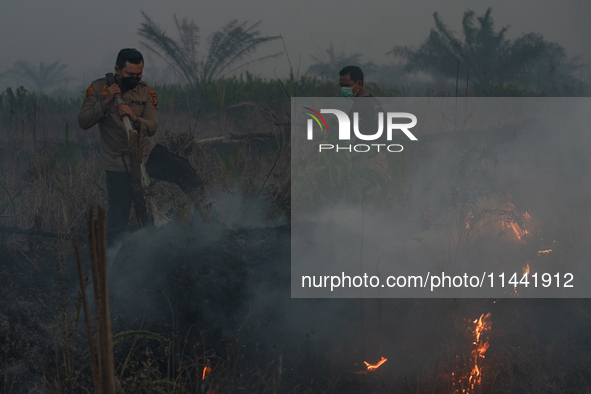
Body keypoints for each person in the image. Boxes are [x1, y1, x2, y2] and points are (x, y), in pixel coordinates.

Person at [78, 48, 207, 244]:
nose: (135, 78)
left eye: (139, 74)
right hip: (117, 162)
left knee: (185, 171)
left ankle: (206, 220)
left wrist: (134, 117)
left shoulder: (146, 92)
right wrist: (106, 103)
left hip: (144, 152)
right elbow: (83, 121)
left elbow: (152, 127)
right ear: (118, 70)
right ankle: (116, 259)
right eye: (130, 74)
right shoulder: (98, 89)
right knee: (118, 221)